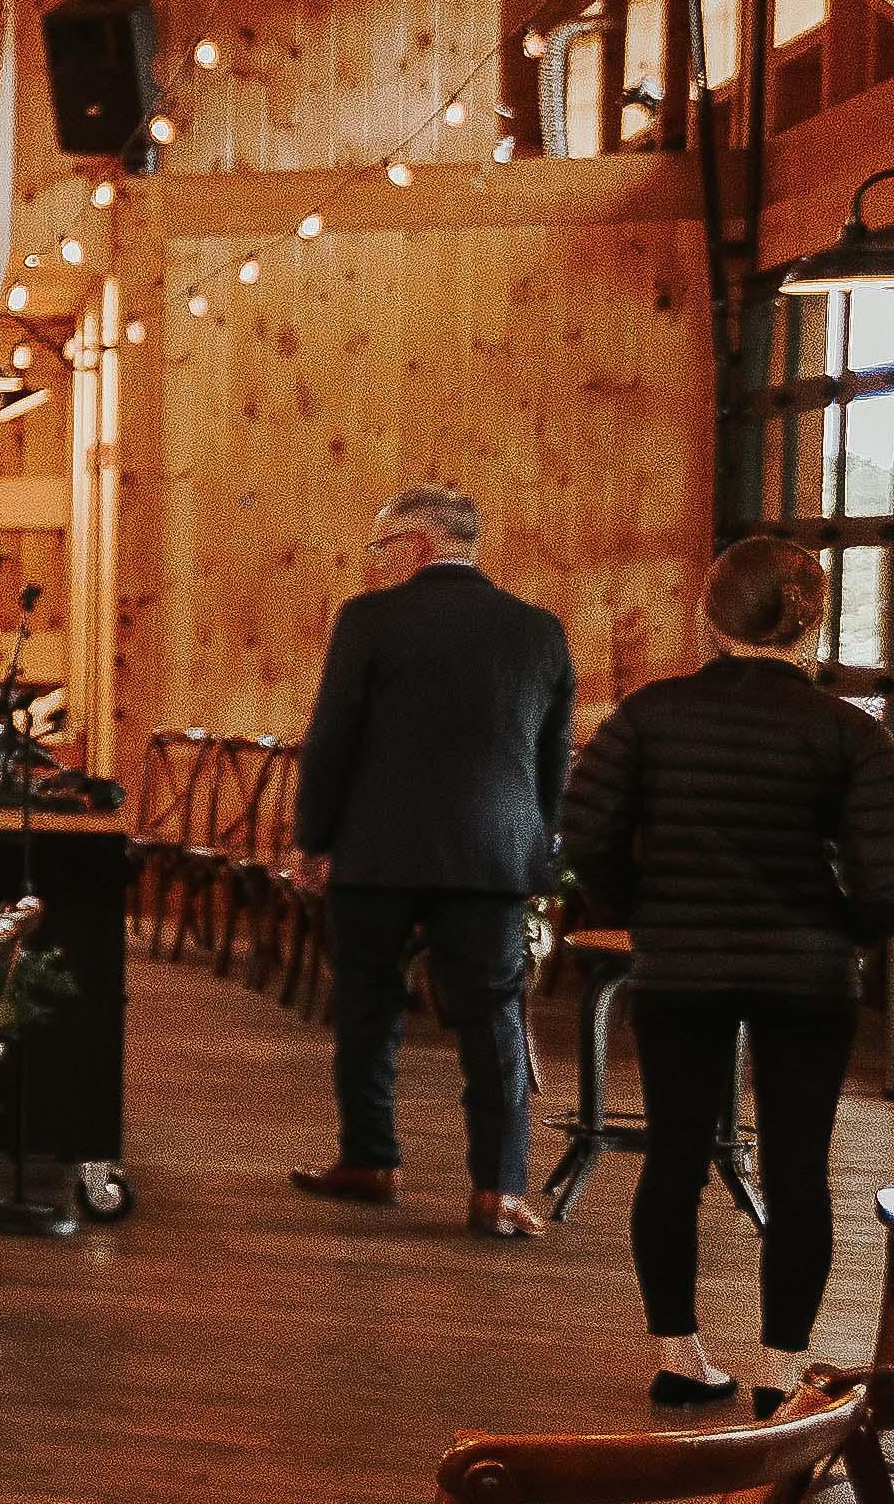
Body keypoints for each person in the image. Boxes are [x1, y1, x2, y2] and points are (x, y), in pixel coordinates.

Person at [558, 534, 894, 1412]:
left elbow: (584, 825)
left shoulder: (649, 714)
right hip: (806, 974)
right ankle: (781, 1377)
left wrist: (635, 906)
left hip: (679, 962)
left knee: (672, 1156)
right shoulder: (850, 733)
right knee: (798, 1170)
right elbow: (882, 875)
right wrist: (845, 930)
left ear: (710, 617)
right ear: (809, 624)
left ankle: (680, 1358)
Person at [287, 482, 579, 1239]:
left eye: (381, 546)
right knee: (493, 1021)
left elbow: (333, 737)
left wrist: (312, 839)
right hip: (490, 855)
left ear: (417, 545)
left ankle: (370, 1161)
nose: (376, 561)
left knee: (367, 1008)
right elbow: (553, 761)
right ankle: (499, 1192)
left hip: (377, 849)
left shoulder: (369, 619)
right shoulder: (539, 630)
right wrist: (533, 848)